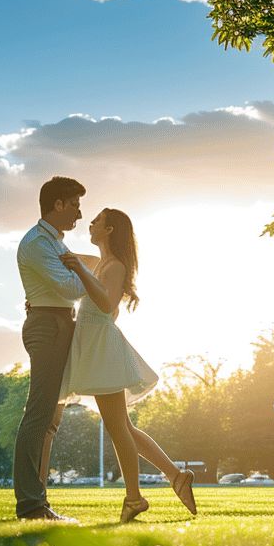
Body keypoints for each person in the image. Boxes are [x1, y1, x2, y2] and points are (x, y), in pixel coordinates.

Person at [59, 208, 197, 522]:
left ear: (108, 229)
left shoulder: (115, 266)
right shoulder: (100, 262)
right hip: (96, 347)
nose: (90, 224)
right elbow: (63, 253)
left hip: (103, 349)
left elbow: (107, 305)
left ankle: (134, 498)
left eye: (96, 221)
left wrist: (79, 271)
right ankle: (176, 476)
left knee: (118, 427)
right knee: (124, 427)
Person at [13, 176, 88, 521]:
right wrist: (94, 271)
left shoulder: (55, 242)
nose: (80, 213)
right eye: (74, 204)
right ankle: (31, 504)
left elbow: (75, 276)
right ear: (57, 204)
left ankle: (37, 500)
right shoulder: (37, 244)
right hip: (47, 326)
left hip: (61, 324)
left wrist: (88, 266)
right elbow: (70, 287)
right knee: (39, 412)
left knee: (50, 416)